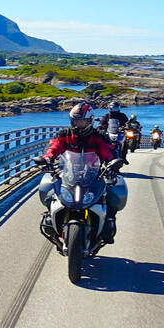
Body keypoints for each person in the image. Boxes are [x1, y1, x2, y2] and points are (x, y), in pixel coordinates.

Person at [42, 102, 121, 242]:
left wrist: (112, 164)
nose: (77, 125)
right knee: (49, 195)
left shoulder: (99, 136)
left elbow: (108, 151)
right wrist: (48, 159)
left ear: (90, 121)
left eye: (81, 122)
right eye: (75, 121)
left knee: (112, 198)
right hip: (68, 174)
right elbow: (53, 146)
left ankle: (108, 225)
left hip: (93, 175)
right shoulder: (65, 134)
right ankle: (50, 220)